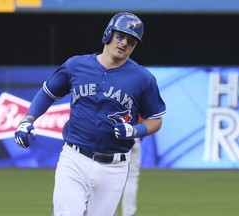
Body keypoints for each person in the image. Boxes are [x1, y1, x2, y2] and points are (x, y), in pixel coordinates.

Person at [14, 12, 166, 216]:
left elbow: (155, 120)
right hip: (75, 158)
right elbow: (48, 92)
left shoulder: (143, 78)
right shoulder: (76, 66)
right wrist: (27, 120)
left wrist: (134, 129)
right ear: (108, 34)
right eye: (120, 36)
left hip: (115, 166)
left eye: (131, 41)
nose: (123, 44)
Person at [121, 137, 141, 216]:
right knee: (132, 179)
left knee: (111, 180)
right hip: (134, 139)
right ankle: (129, 213)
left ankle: (110, 212)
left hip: (114, 143)